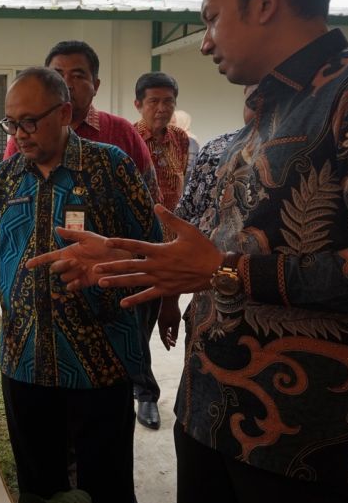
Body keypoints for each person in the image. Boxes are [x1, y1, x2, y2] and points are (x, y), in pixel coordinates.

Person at [27, 0, 348, 501]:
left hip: (303, 442)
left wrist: (222, 269)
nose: (204, 43)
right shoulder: (254, 125)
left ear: (264, 1)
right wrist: (131, 258)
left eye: (212, 19)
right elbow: (217, 256)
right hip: (209, 414)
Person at [0, 67, 161, 503]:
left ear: (64, 112)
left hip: (100, 364)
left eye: (29, 121)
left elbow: (152, 250)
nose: (19, 134)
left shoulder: (109, 168)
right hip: (24, 363)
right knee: (39, 487)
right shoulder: (4, 179)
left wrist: (113, 265)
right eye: (11, 123)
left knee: (105, 487)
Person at [3, 41, 164, 208]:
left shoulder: (122, 133)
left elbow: (151, 200)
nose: (66, 84)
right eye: (57, 76)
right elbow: (5, 196)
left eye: (77, 76)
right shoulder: (24, 137)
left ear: (95, 85)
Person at [157, 84, 257, 350]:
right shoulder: (216, 150)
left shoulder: (320, 150)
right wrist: (169, 301)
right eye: (255, 95)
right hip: (213, 312)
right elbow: (186, 228)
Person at [130, 71, 191, 430]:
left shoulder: (180, 140)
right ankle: (144, 393)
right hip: (138, 248)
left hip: (170, 247)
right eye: (153, 101)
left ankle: (142, 387)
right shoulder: (127, 138)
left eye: (168, 101)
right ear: (139, 104)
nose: (162, 108)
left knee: (159, 317)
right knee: (136, 326)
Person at [171, 109, 201, 175]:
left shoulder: (190, 140)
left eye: (173, 122)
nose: (169, 125)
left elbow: (188, 167)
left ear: (181, 122)